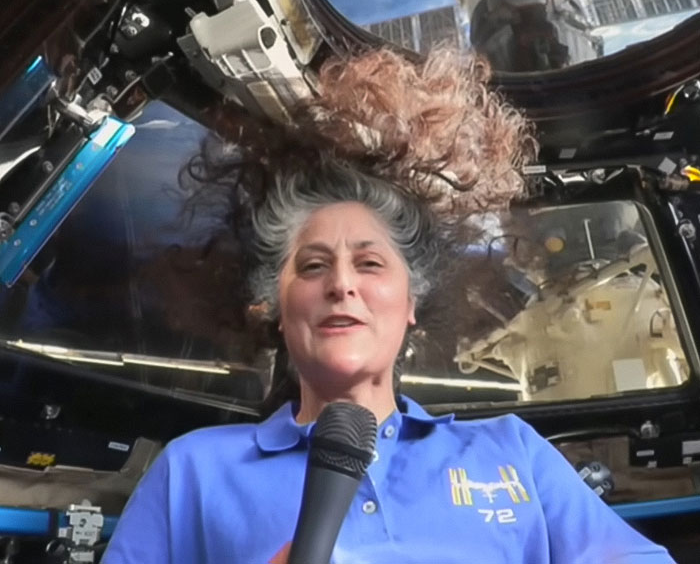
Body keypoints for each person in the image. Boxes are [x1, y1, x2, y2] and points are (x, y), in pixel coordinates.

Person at [101, 49, 676, 563]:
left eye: (370, 264)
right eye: (313, 266)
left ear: (411, 303)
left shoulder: (513, 451)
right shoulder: (193, 472)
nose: (341, 285)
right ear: (271, 304)